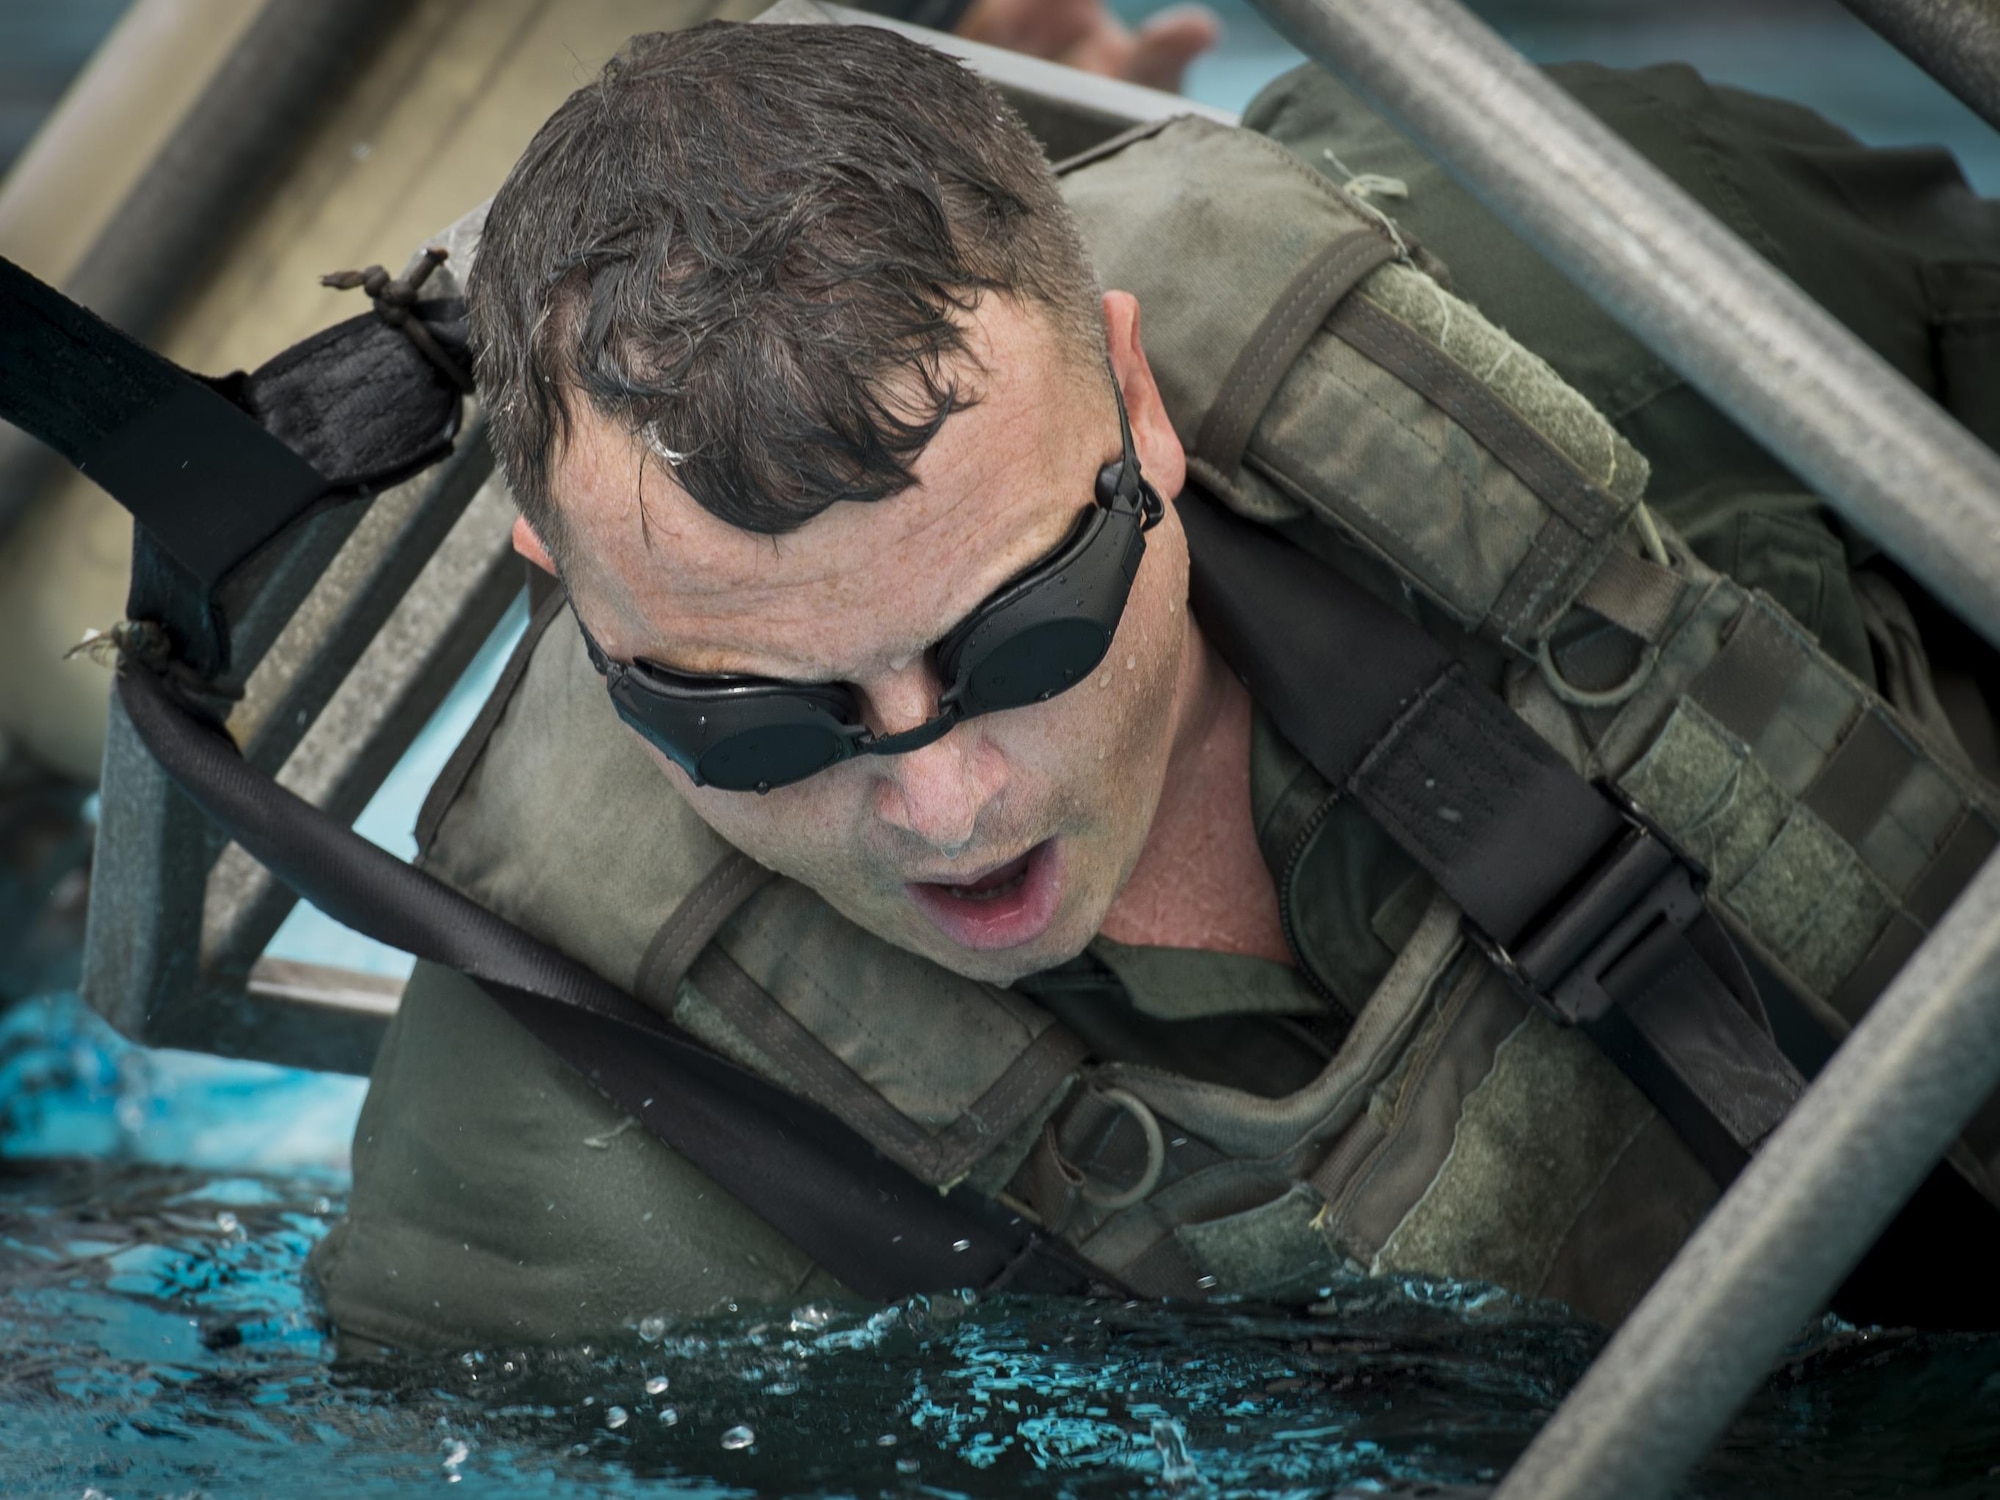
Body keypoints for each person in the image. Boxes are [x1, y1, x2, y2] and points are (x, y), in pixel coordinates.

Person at [307, 20, 2000, 1352]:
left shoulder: (1603, 271)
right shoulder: (556, 1174)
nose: (945, 804)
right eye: (749, 718)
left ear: (1141, 403)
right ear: (560, 579)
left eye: (1028, 627)